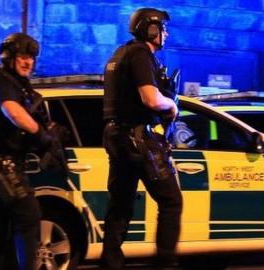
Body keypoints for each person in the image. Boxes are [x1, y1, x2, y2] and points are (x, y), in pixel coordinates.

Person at [101, 8, 183, 270]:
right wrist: (170, 104)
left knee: (121, 205)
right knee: (171, 200)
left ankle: (110, 261)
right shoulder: (140, 54)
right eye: (162, 29)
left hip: (117, 136)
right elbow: (150, 98)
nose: (166, 34)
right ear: (150, 29)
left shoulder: (120, 53)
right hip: (137, 137)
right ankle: (165, 262)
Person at [0, 32, 53, 270]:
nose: (28, 62)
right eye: (23, 57)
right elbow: (13, 112)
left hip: (7, 162)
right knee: (27, 215)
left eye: (32, 58)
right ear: (10, 58)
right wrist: (41, 134)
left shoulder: (20, 86)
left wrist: (48, 139)